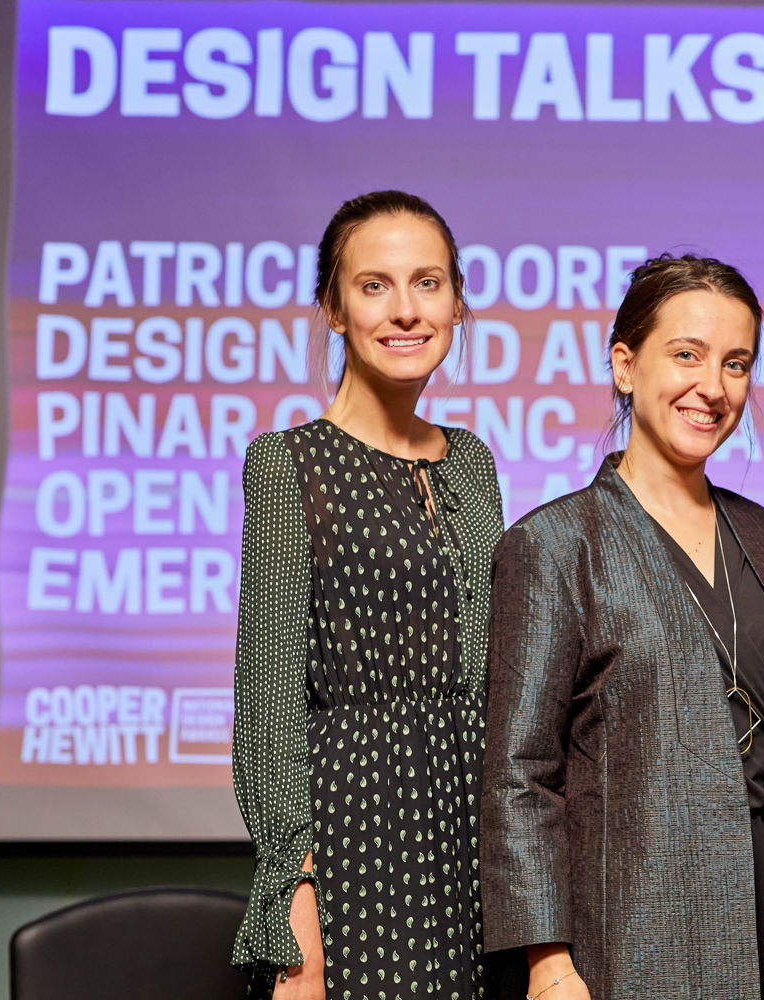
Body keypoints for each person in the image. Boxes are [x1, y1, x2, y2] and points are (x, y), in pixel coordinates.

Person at [481, 254, 764, 1000]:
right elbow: (519, 774)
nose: (714, 387)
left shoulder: (761, 532)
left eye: (737, 363)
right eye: (687, 355)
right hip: (635, 919)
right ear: (625, 365)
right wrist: (549, 963)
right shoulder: (556, 542)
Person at [230, 191, 506, 999]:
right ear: (335, 309)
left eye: (427, 283)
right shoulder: (286, 465)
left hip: (471, 836)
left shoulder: (472, 463)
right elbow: (268, 697)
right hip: (356, 841)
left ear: (457, 302)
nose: (406, 310)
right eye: (374, 285)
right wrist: (296, 909)